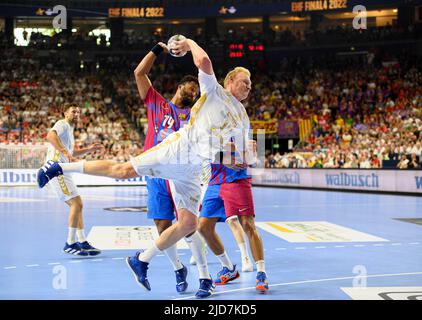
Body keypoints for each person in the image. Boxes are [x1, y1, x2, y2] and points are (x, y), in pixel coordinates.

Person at [37, 37, 256, 298]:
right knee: (124, 172)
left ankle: (147, 261)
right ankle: (60, 168)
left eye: (251, 84)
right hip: (177, 151)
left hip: (195, 168)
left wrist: (245, 156)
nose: (249, 86)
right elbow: (199, 62)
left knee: (188, 224)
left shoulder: (240, 116)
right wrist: (186, 42)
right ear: (230, 81)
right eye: (245, 81)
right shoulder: (209, 93)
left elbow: (237, 154)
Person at [133, 42, 203, 293]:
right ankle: (178, 269)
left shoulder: (193, 116)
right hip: (155, 174)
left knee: (188, 226)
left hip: (179, 175)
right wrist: (156, 50)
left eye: (196, 92)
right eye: (190, 88)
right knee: (163, 227)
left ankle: (204, 275)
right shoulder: (157, 104)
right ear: (180, 86)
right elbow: (139, 74)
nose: (193, 93)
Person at [198, 151, 270, 293]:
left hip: (236, 179)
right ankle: (229, 268)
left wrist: (239, 152)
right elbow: (206, 148)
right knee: (203, 227)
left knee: (247, 225)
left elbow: (250, 151)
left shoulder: (238, 128)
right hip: (214, 181)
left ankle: (261, 273)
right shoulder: (209, 130)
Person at [46, 103, 104, 256]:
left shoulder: (69, 130)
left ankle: (82, 241)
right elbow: (50, 136)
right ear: (65, 113)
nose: (76, 114)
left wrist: (89, 149)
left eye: (78, 112)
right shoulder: (62, 124)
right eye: (73, 111)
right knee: (76, 203)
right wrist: (66, 152)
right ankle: (70, 243)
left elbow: (73, 153)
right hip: (56, 169)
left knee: (77, 205)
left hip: (64, 170)